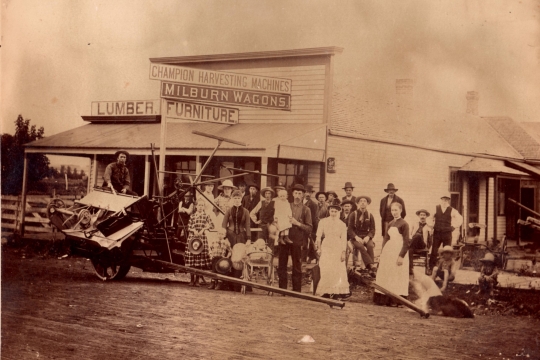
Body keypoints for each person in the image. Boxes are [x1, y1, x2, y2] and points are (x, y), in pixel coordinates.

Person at [374, 202, 410, 306]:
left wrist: (401, 256)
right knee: (386, 273)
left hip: (398, 250)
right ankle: (383, 299)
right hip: (389, 251)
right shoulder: (390, 223)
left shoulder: (404, 224)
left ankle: (396, 300)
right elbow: (386, 238)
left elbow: (407, 242)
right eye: (392, 210)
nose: (394, 212)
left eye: (396, 210)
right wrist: (382, 253)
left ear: (401, 210)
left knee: (396, 274)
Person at [278, 184, 312, 292]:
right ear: (292, 194)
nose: (297, 195)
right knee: (282, 263)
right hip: (284, 238)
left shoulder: (306, 209)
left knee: (297, 265)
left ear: (303, 195)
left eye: (300, 193)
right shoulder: (286, 205)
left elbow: (309, 228)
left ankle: (296, 291)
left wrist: (297, 223)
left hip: (297, 239)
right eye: (296, 193)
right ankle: (282, 289)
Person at [314, 199, 351, 300]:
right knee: (326, 268)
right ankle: (326, 291)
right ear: (329, 211)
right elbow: (318, 236)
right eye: (332, 211)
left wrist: (343, 252)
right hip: (326, 246)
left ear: (339, 212)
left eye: (335, 211)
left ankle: (336, 292)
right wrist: (319, 248)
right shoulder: (323, 222)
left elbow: (344, 239)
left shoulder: (342, 224)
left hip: (337, 247)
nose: (333, 213)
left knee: (337, 269)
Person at [222, 190, 251, 291]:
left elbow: (247, 226)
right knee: (230, 258)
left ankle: (239, 285)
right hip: (230, 237)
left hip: (242, 237)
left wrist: (248, 239)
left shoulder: (246, 212)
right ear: (232, 199)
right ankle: (229, 284)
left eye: (238, 198)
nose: (237, 200)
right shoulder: (229, 211)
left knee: (240, 259)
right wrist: (225, 238)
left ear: (241, 199)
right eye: (235, 198)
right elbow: (224, 225)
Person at [428, 194, 463, 273]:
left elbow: (460, 219)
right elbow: (429, 218)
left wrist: (453, 227)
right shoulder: (436, 208)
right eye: (443, 199)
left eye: (446, 200)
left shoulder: (452, 210)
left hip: (447, 233)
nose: (445, 201)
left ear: (449, 200)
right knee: (434, 250)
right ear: (441, 199)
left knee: (447, 251)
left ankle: (446, 269)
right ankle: (431, 268)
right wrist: (432, 225)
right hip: (437, 233)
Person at [185, 199, 214, 286]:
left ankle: (197, 280)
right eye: (199, 205)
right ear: (196, 206)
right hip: (192, 238)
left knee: (199, 260)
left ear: (204, 207)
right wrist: (193, 230)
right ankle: (191, 280)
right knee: (192, 259)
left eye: (202, 205)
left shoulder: (206, 216)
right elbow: (188, 227)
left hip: (201, 239)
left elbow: (212, 225)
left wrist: (204, 229)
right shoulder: (192, 216)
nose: (200, 207)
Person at [347, 195, 377, 277]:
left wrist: (368, 237)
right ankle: (371, 266)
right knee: (361, 247)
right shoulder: (353, 214)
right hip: (356, 237)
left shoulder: (370, 215)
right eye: (361, 201)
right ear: (358, 203)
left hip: (366, 236)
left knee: (370, 246)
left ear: (367, 204)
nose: (363, 203)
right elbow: (350, 229)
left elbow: (373, 229)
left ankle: (370, 268)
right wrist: (356, 237)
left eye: (365, 201)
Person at [409, 209, 433, 275]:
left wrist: (428, 248)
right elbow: (410, 235)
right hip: (414, 244)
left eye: (424, 215)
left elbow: (430, 240)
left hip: (422, 245)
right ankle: (410, 269)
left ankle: (408, 246)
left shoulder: (429, 227)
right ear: (419, 216)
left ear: (426, 216)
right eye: (421, 215)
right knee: (410, 250)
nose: (422, 216)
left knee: (418, 235)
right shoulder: (414, 224)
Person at [303, 185, 320, 263]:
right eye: (306, 192)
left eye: (309, 192)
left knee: (306, 244)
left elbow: (313, 219)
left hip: (307, 227)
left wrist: (311, 229)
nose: (308, 194)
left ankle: (307, 259)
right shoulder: (298, 202)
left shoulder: (313, 205)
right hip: (297, 227)